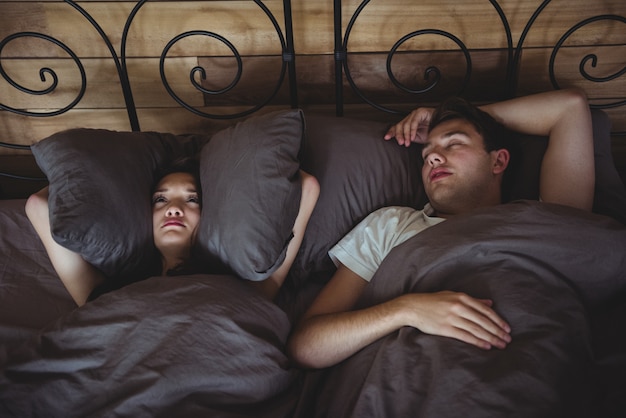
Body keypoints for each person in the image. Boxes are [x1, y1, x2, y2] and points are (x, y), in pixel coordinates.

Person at [287, 88, 595, 369]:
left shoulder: (542, 219)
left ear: (498, 161)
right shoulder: (392, 225)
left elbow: (569, 107)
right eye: (426, 154)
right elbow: (307, 345)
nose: (433, 156)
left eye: (454, 143)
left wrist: (466, 117)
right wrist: (407, 310)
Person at [26, 157, 320, 306]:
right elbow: (38, 206)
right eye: (161, 199)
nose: (174, 208)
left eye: (192, 199)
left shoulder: (246, 284)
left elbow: (306, 186)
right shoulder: (107, 292)